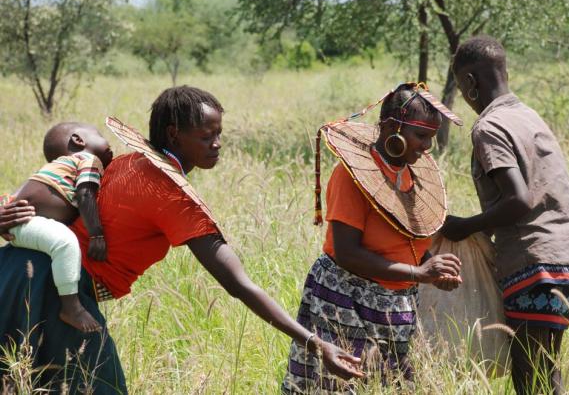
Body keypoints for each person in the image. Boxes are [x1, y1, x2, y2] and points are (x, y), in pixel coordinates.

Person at [0, 86, 363, 394]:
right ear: (173, 134)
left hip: (16, 269)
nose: (217, 144)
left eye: (219, 134)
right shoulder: (173, 196)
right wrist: (314, 343)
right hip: (55, 291)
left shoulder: (126, 163)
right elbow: (238, 284)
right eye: (206, 136)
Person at [281, 83, 463, 393]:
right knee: (340, 385)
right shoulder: (351, 177)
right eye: (421, 136)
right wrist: (420, 273)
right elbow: (347, 253)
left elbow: (408, 242)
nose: (427, 147)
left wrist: (434, 268)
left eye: (431, 138)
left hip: (398, 305)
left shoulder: (411, 174)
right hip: (344, 300)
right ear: (393, 127)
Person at [441, 35, 569, 395]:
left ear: (471, 84)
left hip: (535, 264)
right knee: (544, 371)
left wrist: (465, 227)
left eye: (463, 89)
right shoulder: (527, 115)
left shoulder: (488, 128)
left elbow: (518, 200)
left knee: (529, 377)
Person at [1, 123, 113, 333]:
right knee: (65, 242)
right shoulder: (88, 160)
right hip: (29, 222)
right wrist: (96, 234)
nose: (109, 144)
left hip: (21, 224)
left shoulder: (58, 168)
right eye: (99, 134)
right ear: (79, 140)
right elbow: (85, 194)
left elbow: (13, 197)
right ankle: (71, 306)